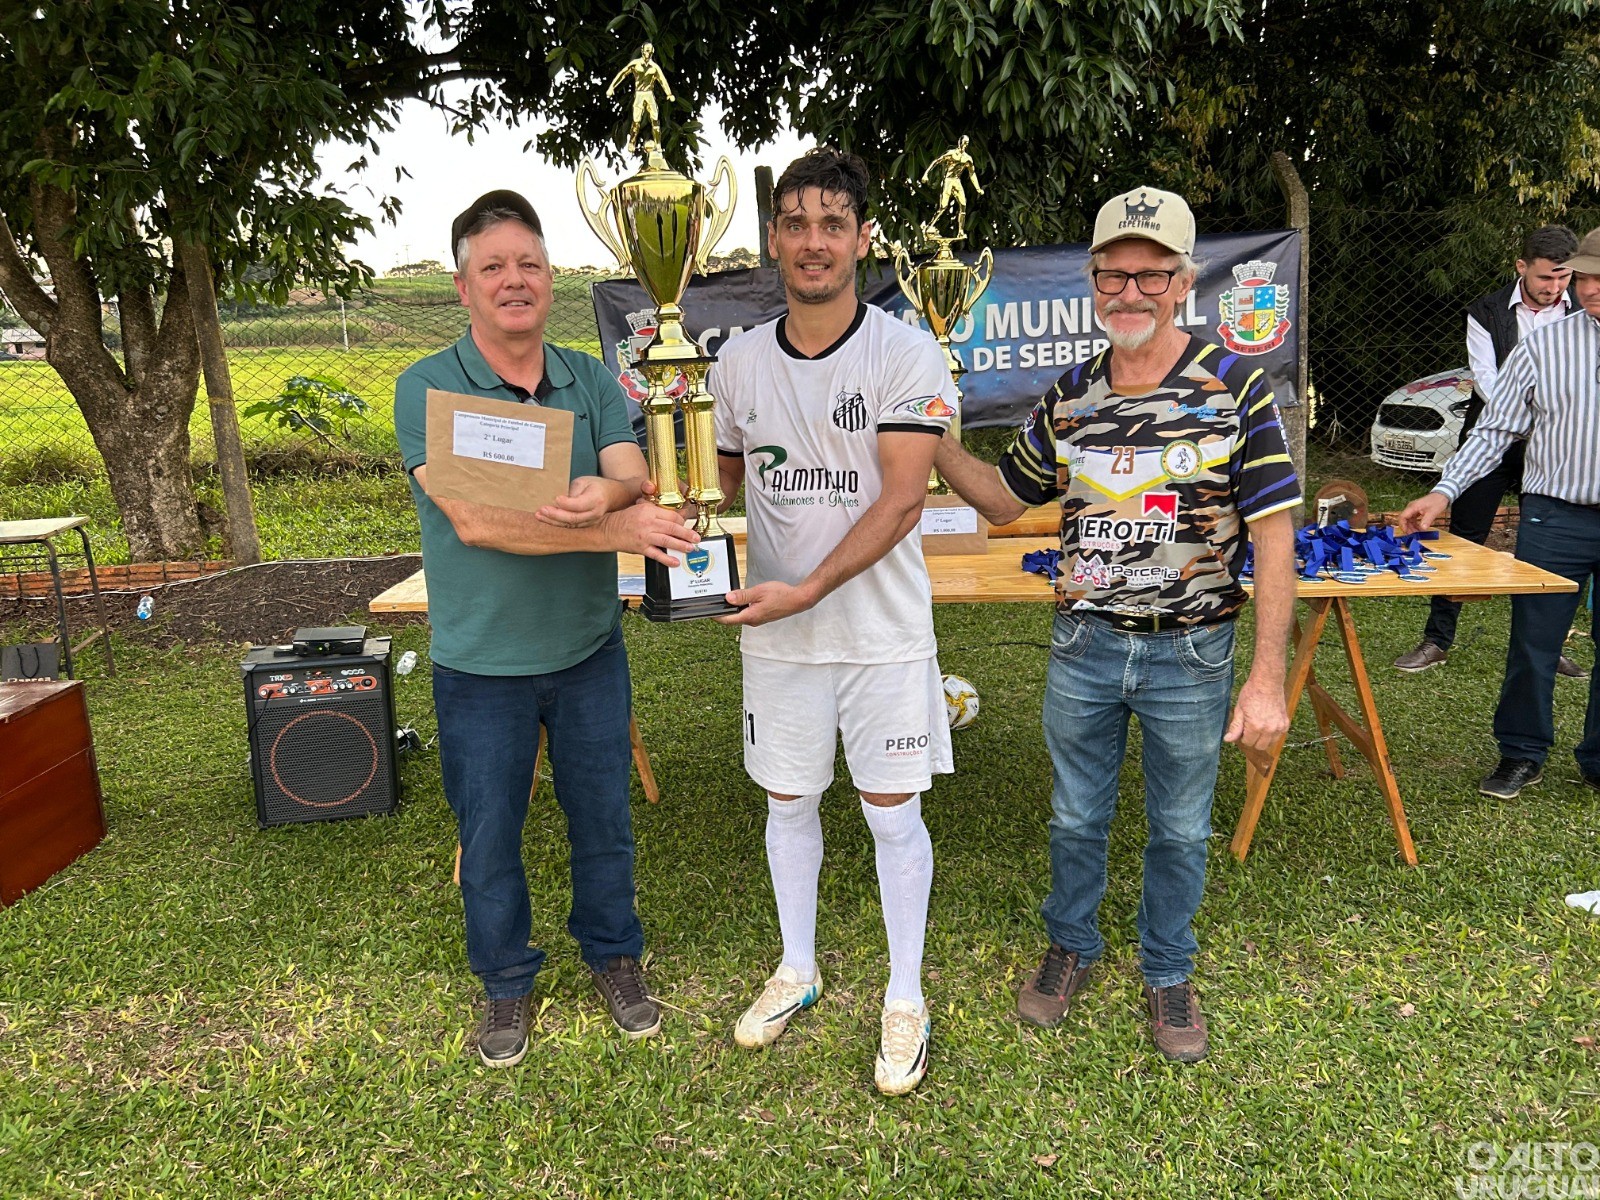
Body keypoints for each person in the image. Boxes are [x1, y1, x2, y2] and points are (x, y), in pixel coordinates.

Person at [931, 186, 1301, 1063]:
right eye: (1113, 276)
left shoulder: (1238, 385)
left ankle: (1169, 969)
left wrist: (1267, 676)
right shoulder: (1070, 394)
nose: (1129, 293)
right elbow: (1002, 498)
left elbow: (1277, 538)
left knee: (1179, 825)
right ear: (1093, 280)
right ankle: (1071, 946)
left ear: (1182, 281)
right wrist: (932, 437)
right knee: (1074, 816)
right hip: (1085, 646)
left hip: (1193, 651)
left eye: (1150, 276)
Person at [393, 190, 699, 1067]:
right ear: (464, 287)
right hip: (481, 663)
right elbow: (478, 522)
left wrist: (609, 492)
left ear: (550, 277)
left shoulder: (586, 376)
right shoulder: (431, 386)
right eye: (492, 267)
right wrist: (615, 528)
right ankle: (505, 983)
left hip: (586, 650)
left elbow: (632, 467)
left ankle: (614, 958)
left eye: (527, 263)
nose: (513, 280)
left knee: (602, 818)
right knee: (489, 833)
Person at [708, 149, 955, 1095]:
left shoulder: (902, 351)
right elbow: (719, 480)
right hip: (777, 637)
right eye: (796, 222)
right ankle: (798, 969)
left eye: (833, 223)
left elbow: (900, 500)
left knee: (892, 813)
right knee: (787, 802)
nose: (814, 241)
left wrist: (807, 586)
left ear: (861, 239)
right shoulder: (732, 362)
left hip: (881, 635)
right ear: (773, 238)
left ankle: (904, 993)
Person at [1399, 226, 1600, 801]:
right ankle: (1520, 753)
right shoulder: (1544, 345)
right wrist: (1445, 490)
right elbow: (1495, 430)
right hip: (1554, 515)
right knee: (1534, 643)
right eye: (1584, 276)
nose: (1589, 288)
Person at [606, 42, 674, 155]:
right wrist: (612, 87)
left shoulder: (655, 67)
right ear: (642, 51)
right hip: (639, 94)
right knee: (636, 120)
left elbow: (663, 80)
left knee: (655, 119)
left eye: (651, 51)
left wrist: (669, 93)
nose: (649, 53)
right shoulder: (635, 64)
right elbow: (622, 74)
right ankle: (632, 141)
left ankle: (658, 144)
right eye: (647, 50)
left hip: (649, 94)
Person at [920, 136, 984, 240]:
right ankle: (930, 226)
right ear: (959, 142)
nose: (965, 145)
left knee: (963, 204)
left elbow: (972, 174)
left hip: (957, 181)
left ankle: (960, 231)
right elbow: (936, 161)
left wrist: (978, 188)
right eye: (963, 142)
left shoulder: (968, 158)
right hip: (948, 180)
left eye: (967, 143)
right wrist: (926, 174)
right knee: (943, 206)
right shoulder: (951, 154)